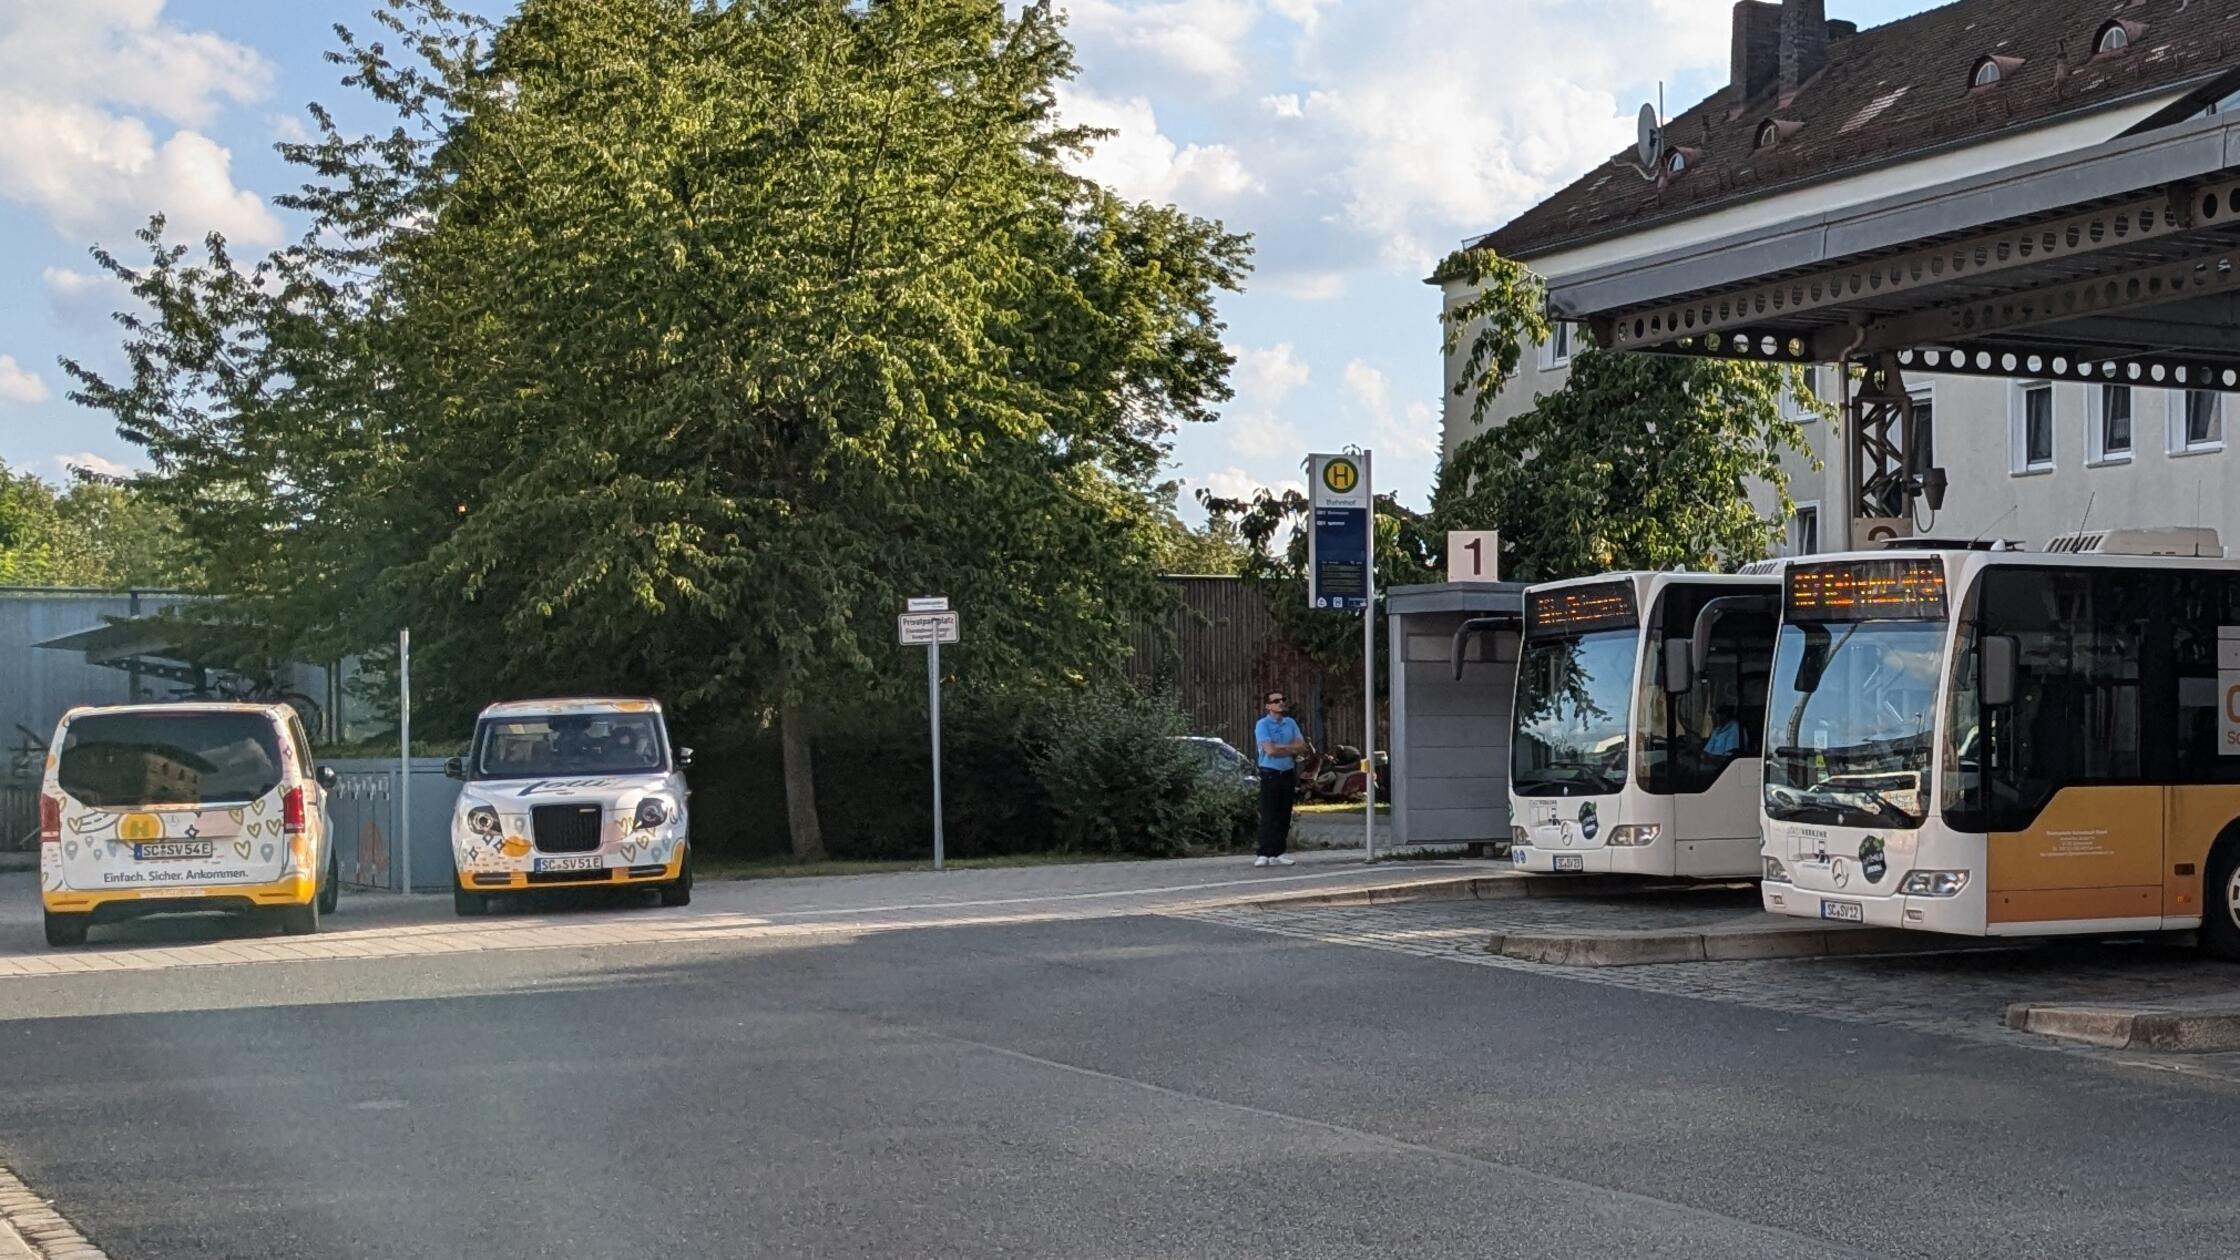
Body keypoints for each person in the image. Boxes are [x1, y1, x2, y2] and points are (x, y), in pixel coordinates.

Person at [1253, 690, 1309, 867]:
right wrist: (1290, 748)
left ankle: (1278, 852)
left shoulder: (1290, 723)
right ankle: (1264, 852)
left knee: (1284, 814)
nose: (1280, 703)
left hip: (1287, 772)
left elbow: (1302, 746)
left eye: (1282, 700)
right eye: (1276, 701)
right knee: (1269, 813)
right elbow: (1270, 750)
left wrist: (1282, 748)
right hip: (1270, 772)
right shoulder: (1262, 725)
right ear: (1268, 706)